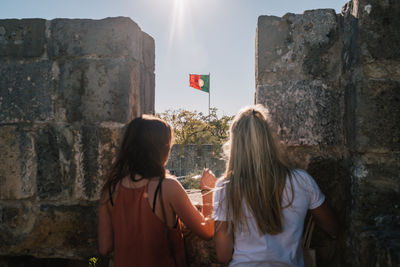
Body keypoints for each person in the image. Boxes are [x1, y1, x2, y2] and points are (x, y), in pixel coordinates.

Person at [213, 105, 339, 266]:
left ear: (236, 145)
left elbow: (223, 255)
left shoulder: (226, 187)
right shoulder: (301, 180)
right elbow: (333, 227)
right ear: (269, 140)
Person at [98, 115, 216, 267]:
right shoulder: (167, 187)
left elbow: (104, 247)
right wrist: (208, 190)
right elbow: (207, 231)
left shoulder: (109, 190)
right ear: (162, 148)